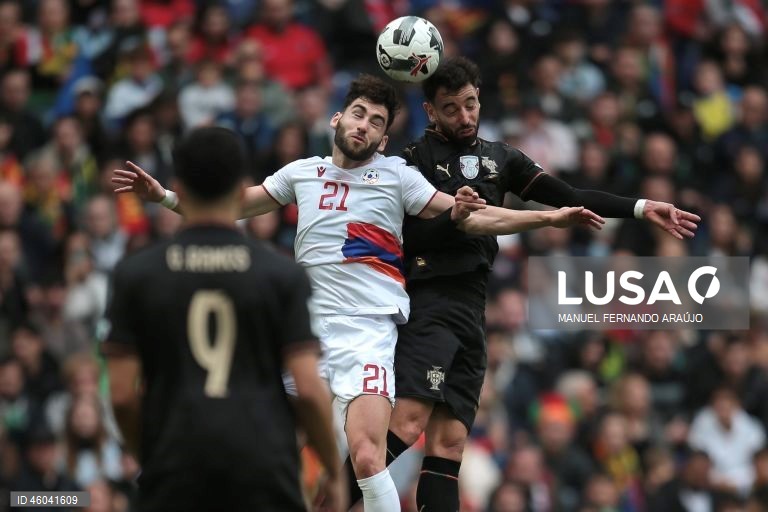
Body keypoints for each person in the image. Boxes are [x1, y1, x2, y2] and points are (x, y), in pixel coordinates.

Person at [112, 74, 603, 511]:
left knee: (368, 455)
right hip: (305, 334)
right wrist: (165, 198)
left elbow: (472, 216)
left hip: (369, 333)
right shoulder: (301, 173)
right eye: (358, 113)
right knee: (261, 448)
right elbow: (234, 206)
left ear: (385, 138)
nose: (364, 125)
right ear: (338, 117)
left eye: (376, 121)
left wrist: (548, 215)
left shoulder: (396, 175)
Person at [344, 57, 702, 511]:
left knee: (450, 443)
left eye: (470, 104)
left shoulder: (501, 158)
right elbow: (409, 236)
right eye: (451, 108)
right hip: (430, 298)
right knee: (409, 421)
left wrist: (640, 205)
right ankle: (328, 498)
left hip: (474, 307)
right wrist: (457, 217)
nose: (465, 116)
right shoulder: (411, 162)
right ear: (431, 112)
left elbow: (568, 197)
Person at [103, 126, 344, 511]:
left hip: (175, 464)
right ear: (241, 189)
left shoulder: (136, 274)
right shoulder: (280, 276)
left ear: (179, 183)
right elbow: (311, 392)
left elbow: (121, 395)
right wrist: (333, 468)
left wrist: (151, 453)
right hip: (263, 468)